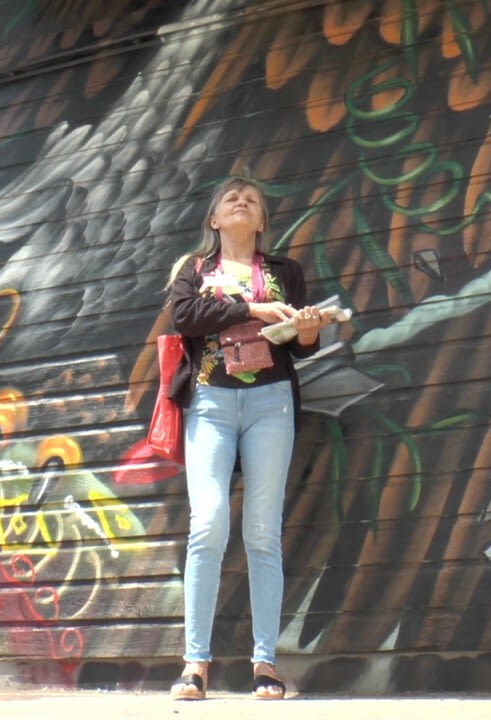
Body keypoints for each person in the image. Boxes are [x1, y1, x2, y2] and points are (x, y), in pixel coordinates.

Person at [165, 176, 328, 701]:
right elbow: (185, 317)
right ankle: (195, 664)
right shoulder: (194, 270)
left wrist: (308, 329)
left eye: (252, 200)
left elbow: (300, 347)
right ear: (214, 220)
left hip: (270, 402)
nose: (242, 201)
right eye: (231, 198)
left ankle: (265, 664)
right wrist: (252, 310)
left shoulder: (284, 272)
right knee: (207, 525)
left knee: (262, 532)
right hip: (210, 403)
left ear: (261, 222)